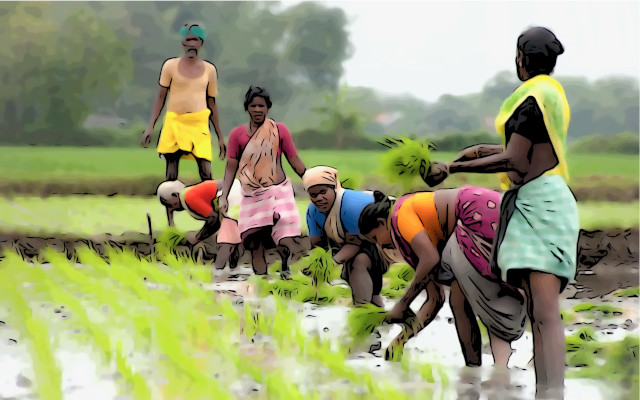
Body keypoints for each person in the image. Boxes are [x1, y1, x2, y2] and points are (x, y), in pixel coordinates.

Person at [425, 27, 578, 397]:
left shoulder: (529, 100)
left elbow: (514, 158)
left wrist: (453, 168)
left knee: (544, 314)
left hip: (540, 207)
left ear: (521, 58)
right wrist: (475, 153)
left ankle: (552, 392)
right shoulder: (550, 95)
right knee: (541, 316)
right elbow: (522, 148)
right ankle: (548, 392)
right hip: (538, 203)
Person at [358, 188, 526, 368]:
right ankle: (473, 371)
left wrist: (402, 303)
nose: (381, 245)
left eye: (375, 238)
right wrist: (401, 339)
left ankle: (531, 342)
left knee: (497, 291)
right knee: (458, 299)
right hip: (479, 215)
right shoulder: (418, 239)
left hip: (477, 213)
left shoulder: (400, 217)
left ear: (381, 222)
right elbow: (435, 300)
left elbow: (430, 259)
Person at [218, 86, 307, 276]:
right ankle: (262, 282)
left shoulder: (279, 130)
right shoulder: (237, 135)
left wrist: (311, 180)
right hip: (252, 195)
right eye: (253, 105)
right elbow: (231, 167)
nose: (257, 109)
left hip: (279, 192)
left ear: (268, 108)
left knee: (286, 237)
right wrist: (223, 196)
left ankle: (290, 271)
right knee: (255, 244)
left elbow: (294, 159)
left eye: (261, 105)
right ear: (247, 108)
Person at [141, 22, 226, 182]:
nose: (192, 44)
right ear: (183, 43)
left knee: (206, 171)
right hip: (175, 122)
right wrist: (151, 127)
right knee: (171, 172)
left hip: (198, 124)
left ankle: (211, 206)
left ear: (201, 43)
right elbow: (161, 98)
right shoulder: (170, 66)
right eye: (188, 40)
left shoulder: (209, 70)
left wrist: (220, 137)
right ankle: (169, 206)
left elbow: (212, 103)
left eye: (195, 40)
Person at [303, 165, 390, 307]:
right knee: (354, 270)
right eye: (313, 195)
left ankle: (363, 309)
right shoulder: (313, 211)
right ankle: (372, 313)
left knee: (359, 263)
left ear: (334, 188)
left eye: (323, 192)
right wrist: (314, 264)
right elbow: (316, 242)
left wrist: (331, 264)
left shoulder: (349, 205)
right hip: (352, 242)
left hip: (381, 236)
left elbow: (355, 244)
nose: (319, 198)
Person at [156, 179, 241, 271]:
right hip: (233, 191)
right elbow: (215, 222)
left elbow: (213, 219)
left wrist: (197, 237)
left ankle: (219, 274)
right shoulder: (190, 193)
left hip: (232, 194)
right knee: (232, 238)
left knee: (227, 240)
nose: (171, 208)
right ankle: (233, 270)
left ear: (175, 195)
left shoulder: (188, 197)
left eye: (169, 204)